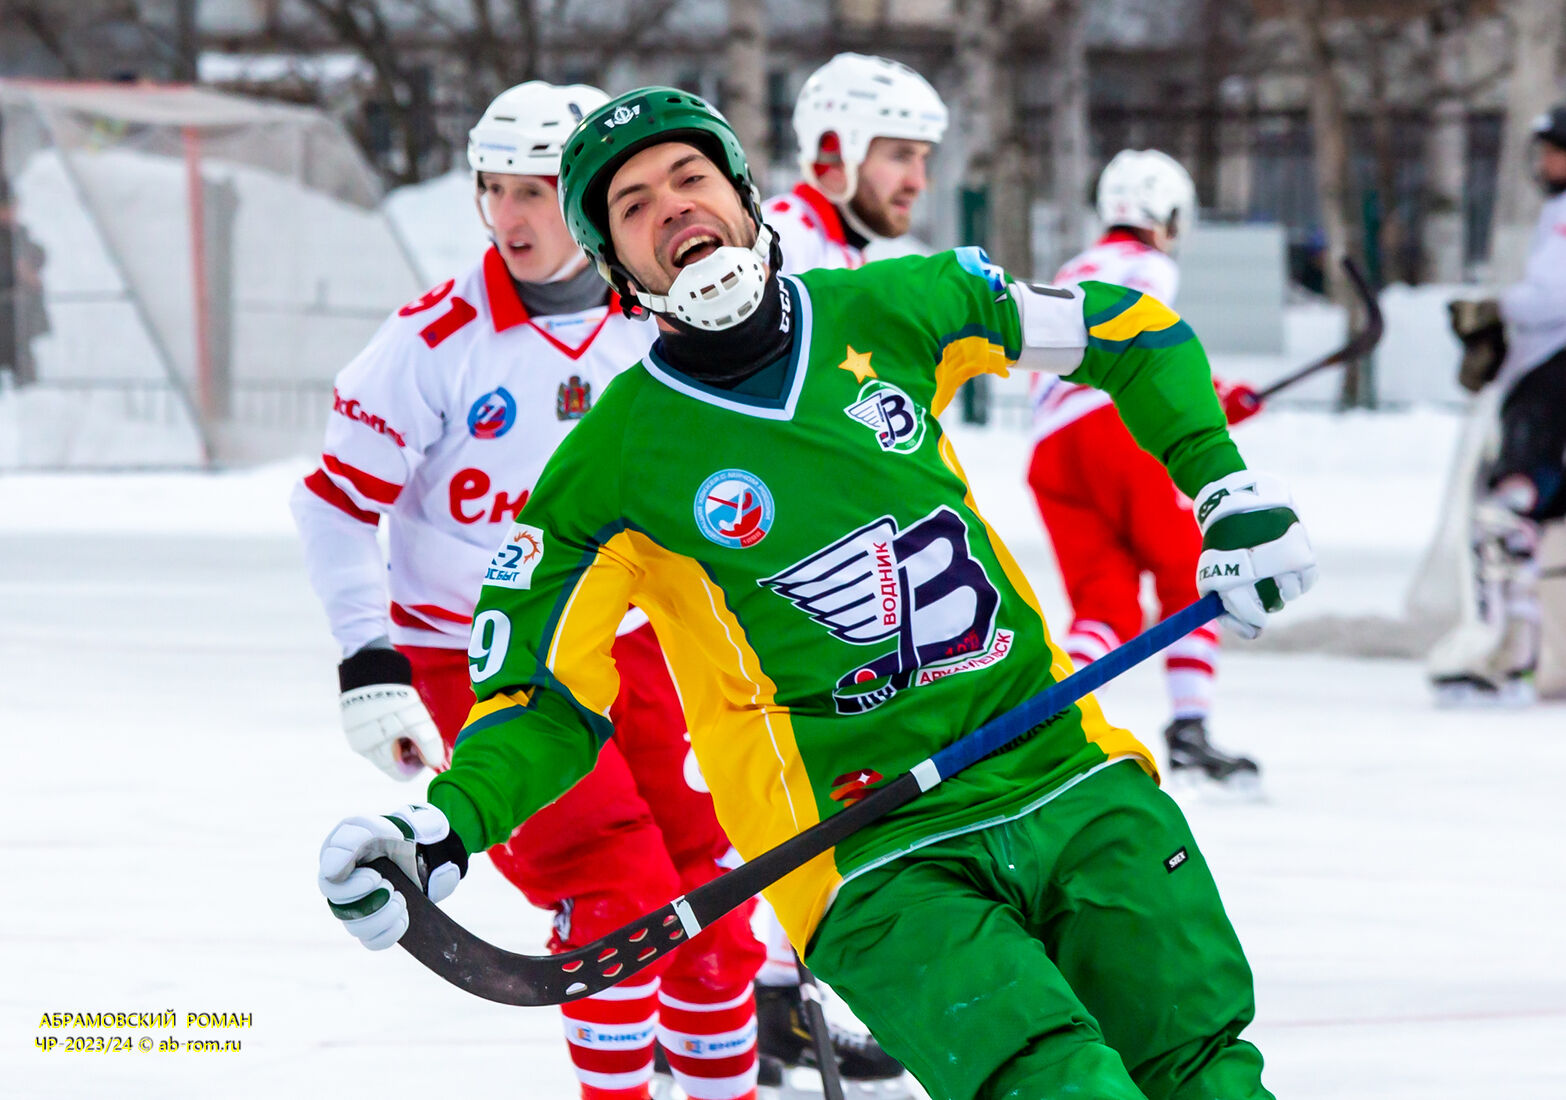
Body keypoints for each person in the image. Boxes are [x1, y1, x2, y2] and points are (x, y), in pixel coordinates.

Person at [316, 88, 1317, 1100]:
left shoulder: (889, 308)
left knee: (1205, 1069)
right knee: (1060, 1083)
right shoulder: (611, 462)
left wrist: (1222, 485)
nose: (672, 206)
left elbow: (1127, 330)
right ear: (618, 268)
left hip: (1067, 770)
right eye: (634, 205)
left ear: (746, 196)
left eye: (691, 176)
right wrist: (446, 825)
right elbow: (541, 700)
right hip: (872, 854)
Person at [292, 82, 765, 1100]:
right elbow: (333, 502)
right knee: (616, 890)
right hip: (483, 659)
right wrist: (369, 661)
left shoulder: (666, 319)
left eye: (535, 190)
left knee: (717, 894)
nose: (507, 215)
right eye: (492, 187)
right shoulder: (434, 340)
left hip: (641, 642)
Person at [745, 53, 946, 1085]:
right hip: (772, 566)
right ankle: (735, 995)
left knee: (828, 785)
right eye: (898, 154)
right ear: (834, 150)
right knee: (775, 783)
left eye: (922, 156)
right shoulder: (780, 247)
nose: (917, 178)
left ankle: (773, 995)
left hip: (842, 558)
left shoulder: (852, 251)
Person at [1026, 148, 1267, 788]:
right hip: (1115, 432)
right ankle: (1189, 730)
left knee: (1105, 606)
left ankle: (1051, 727)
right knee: (1189, 579)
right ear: (1166, 214)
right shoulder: (1149, 266)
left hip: (1051, 449)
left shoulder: (1074, 268)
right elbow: (1146, 353)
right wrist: (1216, 398)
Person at [1430, 104, 1566, 704]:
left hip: (1552, 379)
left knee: (1508, 515)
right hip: (1541, 375)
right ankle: (1526, 660)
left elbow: (1553, 295)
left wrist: (1496, 308)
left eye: (1554, 151)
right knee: (1526, 521)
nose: (1545, 163)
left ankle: (1509, 659)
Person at [764, 52, 947, 271]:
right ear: (833, 156)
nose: (918, 183)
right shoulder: (780, 241)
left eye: (923, 158)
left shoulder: (838, 249)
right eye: (900, 157)